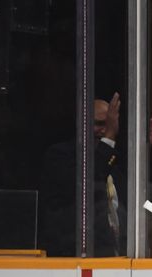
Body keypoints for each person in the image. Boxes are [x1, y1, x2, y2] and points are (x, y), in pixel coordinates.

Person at [41, 93, 126, 256]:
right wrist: (108, 138)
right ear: (81, 124)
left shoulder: (112, 161)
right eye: (100, 124)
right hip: (72, 258)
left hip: (114, 255)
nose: (105, 131)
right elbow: (89, 180)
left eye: (109, 125)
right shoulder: (59, 155)